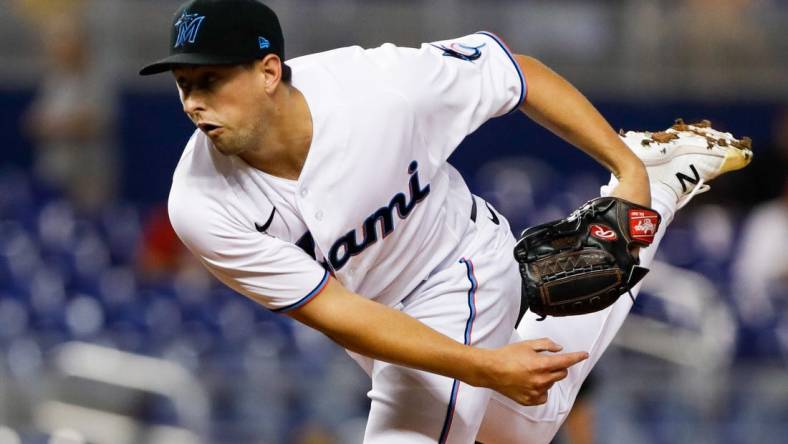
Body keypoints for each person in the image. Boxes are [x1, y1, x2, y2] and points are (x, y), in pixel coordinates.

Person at [139, 1, 752, 442]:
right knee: (526, 426)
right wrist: (488, 369)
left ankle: (647, 172)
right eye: (185, 82)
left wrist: (622, 164)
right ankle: (664, 184)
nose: (194, 101)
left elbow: (516, 74)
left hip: (461, 269)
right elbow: (338, 313)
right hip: (382, 322)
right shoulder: (200, 205)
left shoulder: (379, 89)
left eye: (213, 80)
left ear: (269, 71)